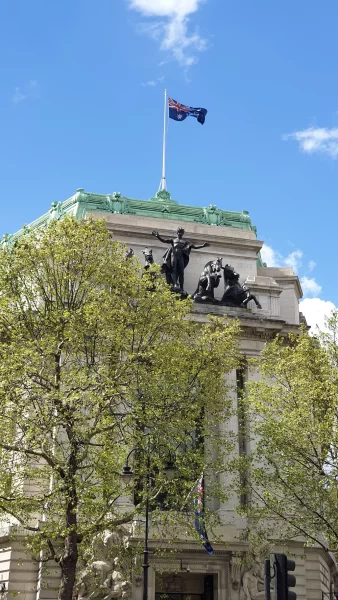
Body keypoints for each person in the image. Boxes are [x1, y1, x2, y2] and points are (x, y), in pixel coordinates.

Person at [152, 227, 209, 291]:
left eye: (181, 232)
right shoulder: (173, 240)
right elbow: (164, 240)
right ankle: (175, 283)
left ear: (183, 233)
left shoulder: (185, 242)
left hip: (181, 257)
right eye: (178, 232)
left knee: (181, 272)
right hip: (174, 257)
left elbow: (194, 247)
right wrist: (158, 236)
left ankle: (181, 288)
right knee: (173, 270)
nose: (179, 233)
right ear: (177, 233)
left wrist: (203, 245)